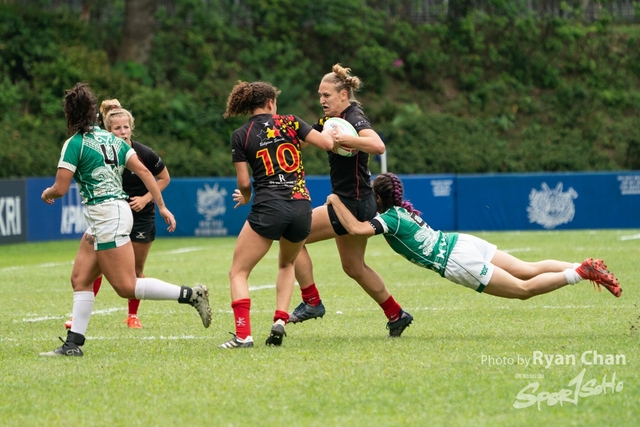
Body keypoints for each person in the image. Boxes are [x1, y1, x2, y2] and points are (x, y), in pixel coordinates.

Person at [40, 83, 211, 357]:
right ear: (95, 113)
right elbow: (145, 172)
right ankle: (73, 344)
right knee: (81, 278)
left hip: (108, 217)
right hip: (109, 216)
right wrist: (162, 206)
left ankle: (190, 294)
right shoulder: (114, 141)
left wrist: (47, 193)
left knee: (126, 286)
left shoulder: (74, 144)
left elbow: (60, 189)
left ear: (70, 115)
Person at [325, 172, 622, 306]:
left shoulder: (391, 218)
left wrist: (335, 200)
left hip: (457, 260)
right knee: (527, 268)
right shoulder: (403, 211)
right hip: (462, 242)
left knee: (523, 289)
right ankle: (584, 266)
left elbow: (357, 230)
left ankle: (580, 272)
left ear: (379, 198)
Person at [288, 64, 413, 337]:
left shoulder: (353, 117)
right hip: (359, 202)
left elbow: (378, 145)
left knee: (291, 234)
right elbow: (306, 140)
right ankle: (396, 315)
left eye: (327, 95)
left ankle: (311, 301)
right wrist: (281, 132)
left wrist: (345, 138)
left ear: (343, 94)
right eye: (319, 95)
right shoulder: (329, 120)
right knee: (354, 267)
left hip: (350, 203)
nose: (322, 100)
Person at [219, 81, 334, 348]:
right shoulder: (291, 122)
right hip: (301, 206)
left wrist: (246, 197)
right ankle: (280, 320)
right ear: (271, 102)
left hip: (270, 207)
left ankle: (243, 335)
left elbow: (244, 183)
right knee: (287, 264)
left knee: (238, 272)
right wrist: (334, 126)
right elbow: (327, 143)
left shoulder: (241, 134)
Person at [64, 99, 171, 329]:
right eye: (116, 128)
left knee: (135, 272)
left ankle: (133, 315)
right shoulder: (105, 149)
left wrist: (146, 199)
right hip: (113, 215)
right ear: (107, 130)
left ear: (132, 128)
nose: (122, 132)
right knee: (96, 268)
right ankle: (78, 317)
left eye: (126, 127)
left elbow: (162, 177)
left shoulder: (142, 153)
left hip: (140, 217)